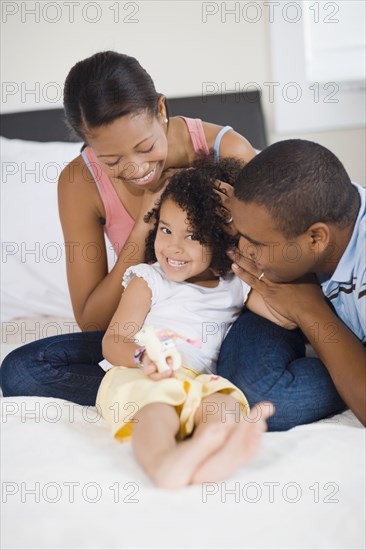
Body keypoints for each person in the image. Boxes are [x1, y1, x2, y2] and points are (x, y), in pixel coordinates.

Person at [0, 51, 256, 405]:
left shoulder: (225, 149)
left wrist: (240, 218)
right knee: (22, 370)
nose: (136, 169)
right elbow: (94, 321)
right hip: (148, 336)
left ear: (161, 110)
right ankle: (177, 388)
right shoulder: (79, 182)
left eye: (145, 146)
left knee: (265, 386)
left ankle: (194, 388)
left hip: (232, 323)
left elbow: (282, 261)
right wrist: (143, 226)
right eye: (112, 160)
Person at [97, 157, 293, 488]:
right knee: (156, 411)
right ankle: (163, 463)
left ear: (220, 239)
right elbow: (113, 339)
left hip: (200, 382)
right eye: (166, 229)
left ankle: (211, 457)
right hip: (146, 375)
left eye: (193, 236)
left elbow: (286, 318)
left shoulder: (235, 283)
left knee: (226, 406)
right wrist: (142, 358)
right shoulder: (148, 279)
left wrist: (250, 253)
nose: (174, 246)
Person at [217, 139, 365, 429]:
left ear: (316, 238)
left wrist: (308, 308)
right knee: (252, 385)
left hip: (310, 304)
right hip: (296, 289)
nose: (245, 249)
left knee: (271, 400)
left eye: (257, 243)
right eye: (241, 233)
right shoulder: (301, 213)